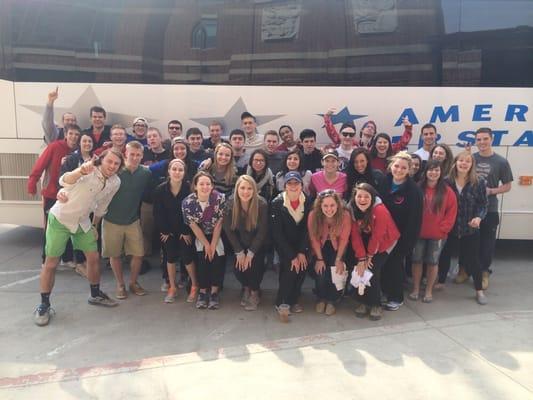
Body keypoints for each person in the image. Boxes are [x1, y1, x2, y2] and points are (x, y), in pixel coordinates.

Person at [33, 149, 123, 327]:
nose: (112, 166)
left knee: (93, 257)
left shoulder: (115, 182)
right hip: (61, 218)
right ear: (101, 160)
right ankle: (44, 304)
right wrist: (80, 171)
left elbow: (102, 206)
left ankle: (95, 294)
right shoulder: (87, 170)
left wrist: (95, 226)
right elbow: (64, 180)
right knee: (51, 263)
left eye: (116, 164)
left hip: (83, 221)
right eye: (109, 161)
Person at [102, 141, 152, 300]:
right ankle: (120, 285)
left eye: (138, 155)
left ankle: (133, 282)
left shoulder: (146, 173)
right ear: (126, 154)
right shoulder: (116, 171)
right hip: (111, 220)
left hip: (132, 220)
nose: (135, 158)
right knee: (115, 254)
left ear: (142, 156)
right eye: (132, 154)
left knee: (138, 254)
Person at [438, 151, 489, 304]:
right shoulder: (447, 181)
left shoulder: (479, 182)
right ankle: (440, 282)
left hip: (469, 229)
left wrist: (479, 217)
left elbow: (483, 204)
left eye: (468, 161)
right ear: (455, 162)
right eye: (461, 160)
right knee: (444, 256)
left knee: (473, 260)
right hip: (450, 228)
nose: (464, 163)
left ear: (472, 165)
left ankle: (479, 291)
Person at [28, 124, 81, 265]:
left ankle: (67, 258)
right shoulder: (54, 146)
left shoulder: (78, 151)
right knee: (50, 228)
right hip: (51, 194)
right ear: (65, 133)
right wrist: (32, 183)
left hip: (69, 195)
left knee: (69, 227)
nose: (74, 137)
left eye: (76, 134)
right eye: (71, 134)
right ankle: (46, 259)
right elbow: (40, 164)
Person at [379, 151, 423, 311]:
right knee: (382, 265)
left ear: (409, 170)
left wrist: (406, 244)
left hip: (400, 238)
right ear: (391, 166)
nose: (398, 170)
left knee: (395, 266)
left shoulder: (414, 191)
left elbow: (415, 221)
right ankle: (385, 292)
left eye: (403, 167)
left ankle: (396, 298)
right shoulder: (384, 182)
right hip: (382, 236)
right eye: (396, 166)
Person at [409, 159, 457, 303]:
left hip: (438, 235)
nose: (433, 173)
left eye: (437, 170)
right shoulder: (417, 188)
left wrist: (443, 229)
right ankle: (416, 289)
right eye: (430, 169)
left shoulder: (447, 191)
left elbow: (452, 212)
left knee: (432, 262)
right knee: (416, 260)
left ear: (441, 172)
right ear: (425, 172)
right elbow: (411, 210)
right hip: (419, 233)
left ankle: (429, 291)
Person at [350, 183, 400, 321]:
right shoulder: (352, 210)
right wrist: (361, 257)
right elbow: (354, 236)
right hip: (367, 239)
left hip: (386, 241)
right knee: (360, 267)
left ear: (372, 197)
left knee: (372, 269)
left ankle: (375, 304)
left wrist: (370, 255)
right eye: (359, 196)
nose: (362, 200)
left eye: (366, 196)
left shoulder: (380, 210)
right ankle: (363, 301)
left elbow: (378, 235)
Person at [472, 127, 513, 289]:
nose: (482, 142)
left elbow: (508, 186)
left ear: (492, 139)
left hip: (490, 209)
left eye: (485, 139)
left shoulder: (501, 162)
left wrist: (492, 191)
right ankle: (464, 270)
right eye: (479, 139)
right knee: (469, 241)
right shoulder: (471, 159)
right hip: (471, 209)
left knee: (487, 243)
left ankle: (484, 273)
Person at [153, 158, 198, 304]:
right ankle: (172, 287)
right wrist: (164, 230)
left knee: (187, 257)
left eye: (180, 170)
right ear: (169, 171)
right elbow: (158, 213)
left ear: (184, 172)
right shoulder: (160, 190)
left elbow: (192, 212)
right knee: (170, 257)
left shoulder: (189, 189)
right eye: (174, 169)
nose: (177, 172)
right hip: (168, 231)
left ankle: (195, 285)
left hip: (185, 230)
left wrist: (186, 231)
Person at [223, 176, 269, 311]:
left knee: (255, 267)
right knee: (239, 269)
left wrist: (251, 252)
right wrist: (239, 251)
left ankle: (255, 292)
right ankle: (246, 288)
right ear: (237, 189)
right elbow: (228, 230)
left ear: (254, 190)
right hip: (240, 243)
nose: (245, 191)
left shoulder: (262, 204)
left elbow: (262, 231)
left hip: (258, 244)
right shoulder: (229, 204)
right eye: (242, 188)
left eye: (249, 188)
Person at [271, 171, 312, 322]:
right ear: (285, 186)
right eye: (290, 183)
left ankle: (294, 299)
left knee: (301, 269)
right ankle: (282, 301)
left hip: (302, 245)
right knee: (289, 269)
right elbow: (277, 233)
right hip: (284, 246)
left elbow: (309, 229)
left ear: (302, 185)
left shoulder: (308, 201)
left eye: (297, 183)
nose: (293, 186)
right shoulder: (276, 203)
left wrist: (301, 251)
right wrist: (291, 255)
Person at [182, 171, 226, 310]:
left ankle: (214, 292)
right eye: (201, 184)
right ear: (195, 186)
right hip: (200, 234)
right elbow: (193, 226)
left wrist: (213, 243)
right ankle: (202, 291)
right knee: (202, 259)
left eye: (208, 184)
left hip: (216, 233)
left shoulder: (219, 198)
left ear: (212, 186)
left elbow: (220, 222)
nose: (205, 186)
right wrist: (206, 244)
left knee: (216, 257)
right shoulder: (188, 202)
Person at [308, 190, 351, 316]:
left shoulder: (345, 215)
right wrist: (319, 259)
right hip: (320, 246)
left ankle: (333, 299)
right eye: (325, 206)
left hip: (338, 247)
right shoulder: (313, 215)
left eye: (332, 205)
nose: (329, 209)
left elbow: (344, 239)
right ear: (320, 206)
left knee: (335, 271)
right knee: (321, 272)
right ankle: (321, 297)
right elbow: (313, 238)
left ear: (337, 205)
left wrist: (339, 259)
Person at [60, 131, 96, 278]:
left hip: (90, 202)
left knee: (86, 232)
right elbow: (63, 178)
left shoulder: (96, 160)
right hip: (74, 201)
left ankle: (86, 261)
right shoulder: (71, 159)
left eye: (90, 142)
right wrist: (62, 194)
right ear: (79, 143)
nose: (87, 144)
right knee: (75, 232)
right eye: (84, 141)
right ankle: (79, 263)